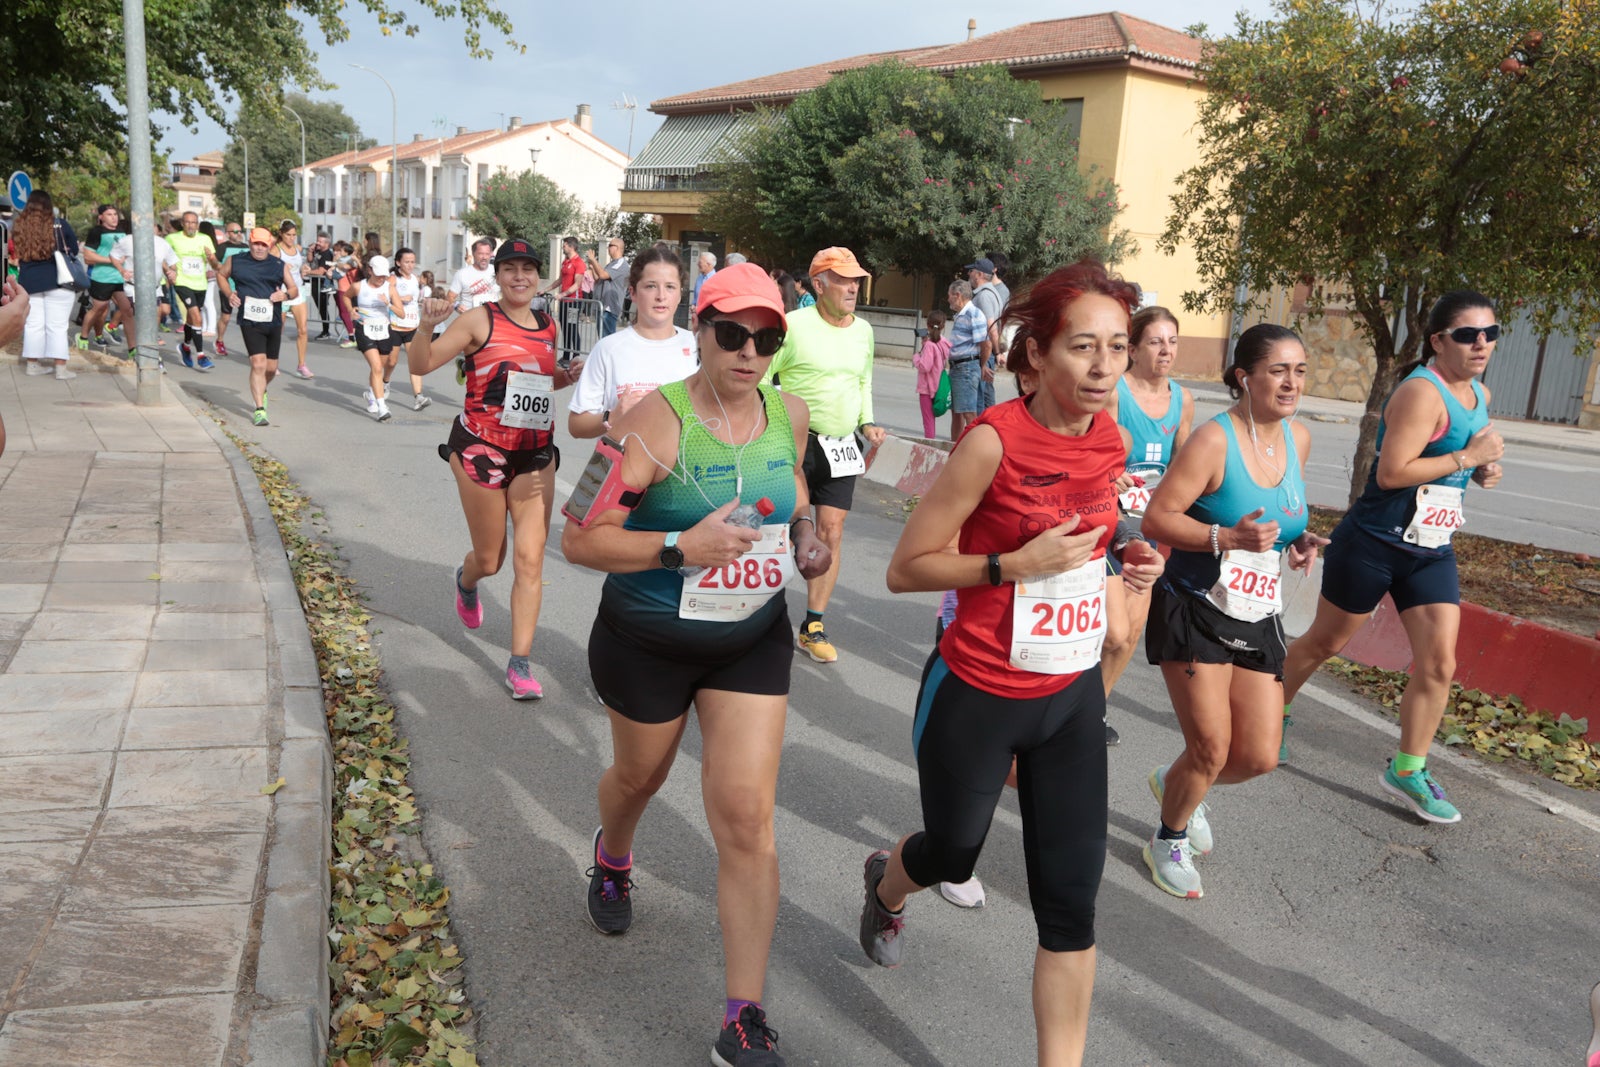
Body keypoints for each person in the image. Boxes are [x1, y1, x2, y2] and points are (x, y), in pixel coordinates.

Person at [859, 260, 1144, 1067]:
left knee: (1071, 908)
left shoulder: (1110, 435)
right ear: (1037, 355)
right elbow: (907, 566)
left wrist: (1130, 549)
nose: (1102, 366)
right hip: (978, 688)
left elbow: (1098, 519)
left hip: (1070, 695)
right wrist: (1011, 566)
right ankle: (887, 883)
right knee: (952, 851)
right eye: (1083, 347)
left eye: (1116, 348)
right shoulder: (991, 442)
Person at [560, 262, 830, 1067]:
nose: (750, 352)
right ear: (702, 333)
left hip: (749, 635)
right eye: (734, 334)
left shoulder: (791, 409)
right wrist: (681, 544)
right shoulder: (650, 422)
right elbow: (578, 536)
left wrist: (809, 530)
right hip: (648, 641)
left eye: (768, 337)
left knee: (747, 815)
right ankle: (614, 854)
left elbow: (799, 487)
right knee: (639, 779)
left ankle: (742, 1014)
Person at [1279, 291, 1505, 819]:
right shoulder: (1421, 394)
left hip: (1430, 549)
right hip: (1376, 543)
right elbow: (1391, 473)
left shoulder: (1479, 394)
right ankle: (1274, 711)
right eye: (1468, 335)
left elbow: (1464, 463)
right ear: (1437, 341)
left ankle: (1407, 770)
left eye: (1491, 334)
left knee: (1440, 663)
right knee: (1322, 645)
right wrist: (1469, 455)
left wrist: (1481, 469)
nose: (1481, 344)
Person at [1138, 324, 1325, 900]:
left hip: (1258, 610)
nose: (1291, 382)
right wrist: (1226, 538)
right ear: (1245, 377)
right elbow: (1157, 519)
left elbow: (1281, 515)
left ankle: (1178, 782)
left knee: (1259, 755)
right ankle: (1167, 839)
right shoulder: (1213, 442)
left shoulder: (1300, 439)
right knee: (1212, 747)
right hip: (1195, 605)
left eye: (1298, 371)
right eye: (1277, 371)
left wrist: (1295, 540)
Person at [408, 238, 581, 697]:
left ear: (538, 277)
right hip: (482, 448)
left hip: (534, 451)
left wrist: (568, 376)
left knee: (530, 559)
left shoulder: (548, 326)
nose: (520, 277)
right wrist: (425, 327)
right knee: (491, 558)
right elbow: (422, 363)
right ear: (497, 275)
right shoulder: (478, 319)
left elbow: (541, 383)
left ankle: (520, 664)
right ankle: (466, 582)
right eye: (510, 269)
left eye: (528, 269)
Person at [763, 246, 884, 664]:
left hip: (841, 443)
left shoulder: (864, 330)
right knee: (781, 529)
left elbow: (863, 381)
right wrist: (764, 423)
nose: (853, 287)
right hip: (793, 442)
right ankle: (758, 613)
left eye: (856, 280)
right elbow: (762, 375)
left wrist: (867, 423)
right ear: (819, 284)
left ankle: (813, 624)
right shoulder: (793, 325)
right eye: (844, 280)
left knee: (831, 530)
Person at [1099, 306, 1196, 743]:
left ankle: (1093, 709)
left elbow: (1185, 467)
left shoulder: (1183, 400)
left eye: (1172, 341)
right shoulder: (1115, 392)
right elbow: (1087, 443)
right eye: (1156, 341)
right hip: (1107, 519)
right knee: (1108, 627)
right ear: (1133, 348)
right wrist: (1108, 471)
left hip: (1150, 524)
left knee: (1128, 634)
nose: (1166, 350)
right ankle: (1066, 701)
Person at [567, 242, 695, 439]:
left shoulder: (697, 345)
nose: (661, 296)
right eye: (651, 286)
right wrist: (613, 416)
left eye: (670, 287)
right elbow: (577, 425)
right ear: (633, 292)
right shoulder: (608, 349)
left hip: (684, 468)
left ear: (680, 294)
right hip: (625, 466)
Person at [218, 226, 298, 426]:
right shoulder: (236, 261)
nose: (260, 248)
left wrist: (285, 295)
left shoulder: (279, 265)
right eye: (256, 243)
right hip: (250, 320)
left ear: (269, 244)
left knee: (271, 368)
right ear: (250, 242)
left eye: (264, 244)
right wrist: (230, 294)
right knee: (258, 364)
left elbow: (294, 289)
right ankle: (259, 409)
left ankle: (262, 388)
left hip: (272, 321)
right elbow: (221, 275)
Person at [12, 189, 81, 381]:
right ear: (49, 206)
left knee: (33, 325)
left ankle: (33, 365)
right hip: (57, 281)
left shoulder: (19, 226)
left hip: (29, 282)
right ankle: (60, 369)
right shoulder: (60, 225)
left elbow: (16, 252)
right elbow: (74, 250)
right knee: (57, 326)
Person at [352, 254, 405, 422]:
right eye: (379, 274)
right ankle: (382, 407)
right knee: (376, 367)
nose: (382, 278)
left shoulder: (389, 288)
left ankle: (371, 393)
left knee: (379, 367)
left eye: (384, 274)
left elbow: (401, 313)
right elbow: (346, 297)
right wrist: (351, 310)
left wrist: (388, 304)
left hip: (383, 330)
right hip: (364, 328)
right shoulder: (359, 287)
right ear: (369, 271)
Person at [166, 211, 220, 370]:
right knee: (197, 317)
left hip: (200, 284)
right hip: (182, 282)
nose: (191, 226)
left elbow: (216, 264)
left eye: (194, 223)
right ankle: (201, 356)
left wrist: (212, 259)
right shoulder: (172, 239)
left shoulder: (205, 239)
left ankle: (185, 347)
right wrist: (170, 271)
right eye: (188, 222)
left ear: (197, 224)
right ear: (182, 223)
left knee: (191, 318)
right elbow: (163, 257)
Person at [79, 204, 135, 352]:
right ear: (101, 217)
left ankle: (132, 348)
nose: (113, 217)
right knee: (99, 309)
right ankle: (83, 337)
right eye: (109, 214)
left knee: (127, 310)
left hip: (120, 278)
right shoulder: (96, 232)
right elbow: (87, 257)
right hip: (102, 277)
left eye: (115, 214)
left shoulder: (122, 232)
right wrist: (112, 260)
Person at [945, 280, 990, 442]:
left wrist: (982, 365)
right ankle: (954, 447)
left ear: (957, 295)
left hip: (966, 367)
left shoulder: (974, 314)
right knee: (957, 411)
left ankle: (976, 448)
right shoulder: (961, 314)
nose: (948, 299)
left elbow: (986, 343)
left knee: (968, 412)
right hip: (958, 367)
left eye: (949, 295)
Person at [388, 248, 431, 411]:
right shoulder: (393, 279)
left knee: (414, 361)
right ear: (398, 262)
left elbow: (417, 299)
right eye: (407, 262)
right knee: (392, 361)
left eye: (413, 261)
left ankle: (418, 396)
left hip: (412, 325)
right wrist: (399, 298)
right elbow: (385, 295)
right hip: (395, 325)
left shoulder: (415, 279)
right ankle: (385, 382)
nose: (410, 265)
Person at [268, 221, 313, 378]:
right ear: (281, 233)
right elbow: (269, 273)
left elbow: (298, 267)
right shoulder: (275, 251)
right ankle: (274, 362)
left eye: (294, 235)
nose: (291, 238)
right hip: (282, 293)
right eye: (288, 235)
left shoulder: (298, 248)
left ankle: (301, 365)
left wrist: (304, 270)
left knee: (303, 329)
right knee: (278, 331)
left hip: (297, 291)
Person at [966, 257, 1007, 415]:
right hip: (987, 351)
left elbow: (991, 327)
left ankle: (980, 433)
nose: (969, 274)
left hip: (984, 352)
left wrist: (996, 352)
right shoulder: (993, 293)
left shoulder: (984, 296)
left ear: (979, 274)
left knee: (979, 398)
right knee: (985, 396)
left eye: (971, 271)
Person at [212, 221, 250, 358]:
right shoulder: (222, 248)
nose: (239, 234)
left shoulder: (246, 247)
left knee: (248, 319)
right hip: (227, 288)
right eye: (235, 232)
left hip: (244, 288)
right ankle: (220, 341)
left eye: (240, 231)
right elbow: (214, 264)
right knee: (226, 317)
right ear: (228, 234)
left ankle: (251, 346)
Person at [549, 236, 587, 363]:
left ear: (571, 246)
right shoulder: (565, 262)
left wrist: (563, 294)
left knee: (572, 328)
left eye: (564, 245)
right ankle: (566, 357)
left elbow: (577, 284)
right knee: (565, 328)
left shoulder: (579, 263)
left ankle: (575, 357)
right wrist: (546, 289)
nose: (563, 247)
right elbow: (559, 280)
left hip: (573, 302)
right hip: (564, 301)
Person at [913, 311, 950, 439]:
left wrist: (916, 356)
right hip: (938, 385)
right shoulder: (943, 343)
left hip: (927, 388)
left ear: (928, 325)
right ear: (943, 326)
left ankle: (930, 445)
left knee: (928, 422)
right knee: (931, 420)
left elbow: (924, 366)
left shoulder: (929, 345)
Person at [586, 236, 630, 339]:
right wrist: (593, 267)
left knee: (608, 340)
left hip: (609, 308)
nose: (608, 248)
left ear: (617, 248)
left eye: (610, 246)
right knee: (603, 340)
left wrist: (594, 260)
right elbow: (598, 278)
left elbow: (603, 275)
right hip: (602, 306)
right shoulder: (612, 264)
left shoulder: (621, 264)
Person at [447, 237, 499, 320]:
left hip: (493, 319)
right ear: (474, 254)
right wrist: (457, 306)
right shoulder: (462, 274)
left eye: (487, 254)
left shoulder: (497, 271)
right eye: (481, 254)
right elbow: (450, 296)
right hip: (470, 321)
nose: (484, 257)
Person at [307, 232, 337, 340]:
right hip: (315, 283)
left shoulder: (327, 254)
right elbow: (310, 260)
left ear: (327, 243)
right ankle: (325, 330)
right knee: (320, 308)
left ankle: (326, 331)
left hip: (323, 285)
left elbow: (321, 271)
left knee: (323, 308)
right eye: (317, 240)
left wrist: (307, 272)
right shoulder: (318, 251)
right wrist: (310, 251)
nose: (317, 243)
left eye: (320, 241)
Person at [690, 251, 717, 329]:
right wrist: (693, 305)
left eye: (700, 262)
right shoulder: (700, 278)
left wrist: (700, 308)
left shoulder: (716, 279)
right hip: (697, 316)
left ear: (708, 264)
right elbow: (696, 296)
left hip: (709, 319)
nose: (698, 264)